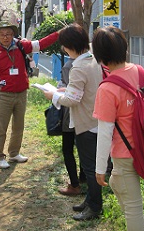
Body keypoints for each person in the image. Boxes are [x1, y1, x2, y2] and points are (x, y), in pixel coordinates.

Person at [92, 26, 144, 231]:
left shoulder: (108, 88)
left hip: (125, 155)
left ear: (100, 56)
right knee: (119, 184)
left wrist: (99, 168)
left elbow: (105, 132)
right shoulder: (142, 73)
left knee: (134, 209)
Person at [42, 23, 103, 221]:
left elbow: (72, 100)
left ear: (69, 45)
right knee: (91, 166)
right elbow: (80, 92)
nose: (63, 49)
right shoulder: (92, 59)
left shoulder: (78, 67)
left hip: (86, 122)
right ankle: (90, 200)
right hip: (95, 118)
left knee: (90, 168)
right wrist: (63, 91)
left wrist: (53, 95)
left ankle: (94, 207)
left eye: (64, 45)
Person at [0, 20, 59, 169]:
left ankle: (14, 153)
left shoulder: (21, 46)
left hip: (21, 93)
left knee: (18, 126)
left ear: (13, 34)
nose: (6, 37)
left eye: (8, 34)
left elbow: (41, 44)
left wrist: (58, 34)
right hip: (4, 95)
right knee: (1, 128)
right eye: (2, 35)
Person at [57, 58, 86, 196]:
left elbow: (68, 92)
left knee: (68, 148)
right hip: (86, 114)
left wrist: (55, 94)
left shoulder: (70, 65)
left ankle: (74, 184)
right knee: (83, 147)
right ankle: (83, 177)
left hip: (70, 113)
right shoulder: (92, 62)